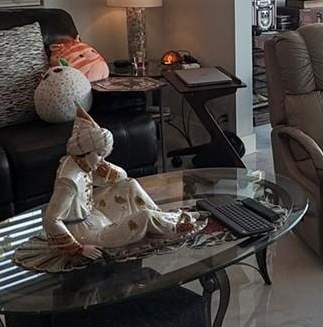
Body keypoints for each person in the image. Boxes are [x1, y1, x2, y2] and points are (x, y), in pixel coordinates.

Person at [42, 109, 203, 259]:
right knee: (144, 217)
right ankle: (173, 226)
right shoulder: (68, 181)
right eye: (100, 154)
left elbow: (121, 178)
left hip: (96, 215)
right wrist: (79, 248)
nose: (101, 159)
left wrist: (103, 164)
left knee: (129, 185)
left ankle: (162, 218)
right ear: (85, 150)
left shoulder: (81, 162)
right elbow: (51, 220)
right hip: (87, 233)